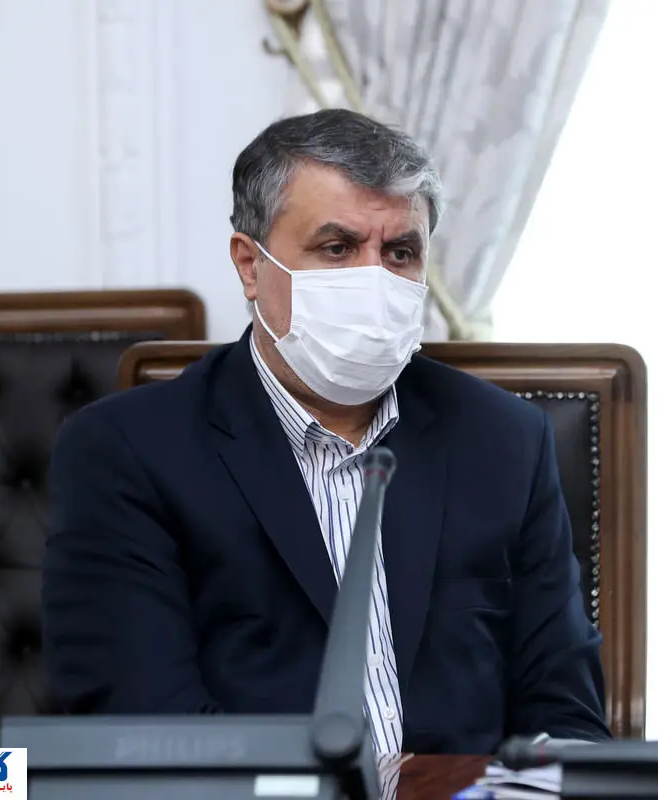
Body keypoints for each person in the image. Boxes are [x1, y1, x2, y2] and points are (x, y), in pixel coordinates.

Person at [42, 108, 610, 755]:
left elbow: (564, 716)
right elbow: (147, 732)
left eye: (400, 253)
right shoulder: (129, 452)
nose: (375, 280)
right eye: (337, 248)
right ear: (250, 265)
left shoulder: (505, 440)